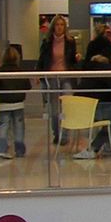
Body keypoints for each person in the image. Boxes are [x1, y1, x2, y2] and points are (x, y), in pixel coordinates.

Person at [38, 15, 78, 144]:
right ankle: (57, 132)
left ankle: (65, 135)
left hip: (66, 77)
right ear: (53, 27)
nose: (59, 27)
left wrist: (77, 59)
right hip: (52, 77)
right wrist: (38, 74)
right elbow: (42, 59)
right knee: (55, 110)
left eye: (62, 25)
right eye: (57, 25)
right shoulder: (47, 42)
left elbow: (72, 60)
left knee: (67, 106)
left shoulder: (70, 42)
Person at [0, 43, 29, 158]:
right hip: (18, 103)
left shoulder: (0, 72)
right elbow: (27, 86)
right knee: (19, 127)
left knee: (3, 126)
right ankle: (19, 150)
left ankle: (2, 149)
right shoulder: (20, 72)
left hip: (4, 104)